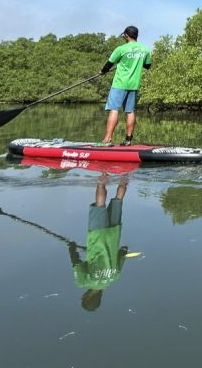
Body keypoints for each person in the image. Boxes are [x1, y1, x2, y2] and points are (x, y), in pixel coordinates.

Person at [69, 174, 129, 311]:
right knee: (99, 205)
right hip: (96, 236)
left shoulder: (114, 277)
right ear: (87, 297)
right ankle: (103, 175)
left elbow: (123, 252)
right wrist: (71, 248)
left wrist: (122, 251)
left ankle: (125, 175)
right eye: (83, 297)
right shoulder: (84, 282)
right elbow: (76, 263)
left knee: (118, 200)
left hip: (114, 234)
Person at [99, 25, 151, 146]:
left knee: (114, 110)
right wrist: (136, 62)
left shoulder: (121, 49)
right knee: (130, 111)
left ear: (127, 36)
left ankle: (107, 140)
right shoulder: (145, 49)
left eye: (124, 35)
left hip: (119, 84)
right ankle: (128, 140)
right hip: (133, 85)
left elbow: (108, 65)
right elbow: (148, 66)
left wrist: (102, 72)